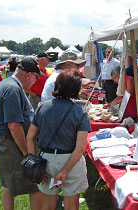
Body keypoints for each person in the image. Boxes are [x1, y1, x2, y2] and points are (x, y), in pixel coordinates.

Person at [27, 69, 91, 210]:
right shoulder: (80, 112)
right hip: (72, 161)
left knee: (48, 205)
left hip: (47, 159)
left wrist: (35, 163)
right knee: (71, 205)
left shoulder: (42, 108)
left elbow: (30, 137)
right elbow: (80, 148)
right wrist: (65, 171)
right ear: (76, 89)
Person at [0, 57, 45, 210]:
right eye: (36, 77)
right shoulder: (13, 89)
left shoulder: (9, 84)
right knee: (35, 185)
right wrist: (27, 154)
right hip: (11, 144)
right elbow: (14, 125)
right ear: (28, 75)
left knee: (9, 185)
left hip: (8, 143)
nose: (35, 81)